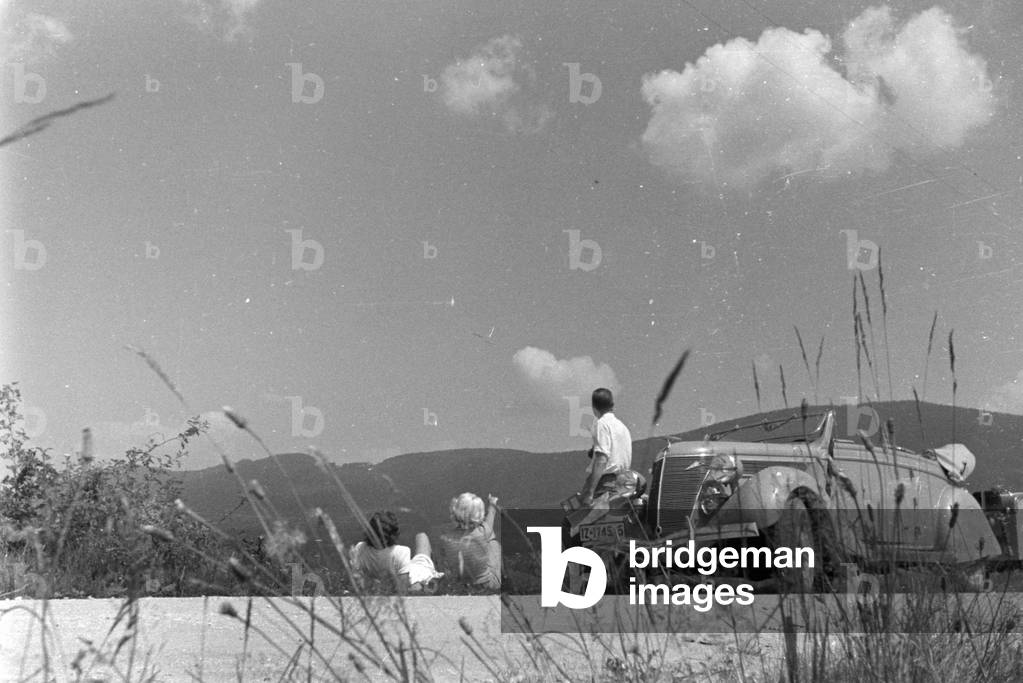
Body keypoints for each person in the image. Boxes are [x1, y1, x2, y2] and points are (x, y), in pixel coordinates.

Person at [349, 510, 444, 593]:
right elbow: (403, 590)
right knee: (421, 536)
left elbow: (357, 579)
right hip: (419, 574)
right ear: (393, 534)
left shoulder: (360, 548)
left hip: (389, 579)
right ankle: (421, 529)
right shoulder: (401, 552)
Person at [579, 387, 632, 506]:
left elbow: (602, 459)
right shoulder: (623, 427)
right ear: (612, 405)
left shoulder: (601, 424)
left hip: (606, 485)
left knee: (582, 517)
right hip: (624, 483)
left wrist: (589, 492)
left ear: (594, 408)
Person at [437, 492, 501, 591]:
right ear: (479, 514)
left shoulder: (446, 537)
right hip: (486, 584)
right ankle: (501, 577)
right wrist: (492, 504)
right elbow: (490, 518)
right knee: (493, 543)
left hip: (460, 585)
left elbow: (443, 561)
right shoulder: (482, 532)